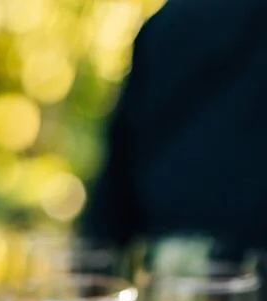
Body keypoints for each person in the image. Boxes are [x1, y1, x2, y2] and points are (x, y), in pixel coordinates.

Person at [82, 0, 267, 260]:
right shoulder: (166, 26)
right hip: (178, 274)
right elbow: (113, 197)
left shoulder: (167, 22)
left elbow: (106, 218)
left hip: (170, 268)